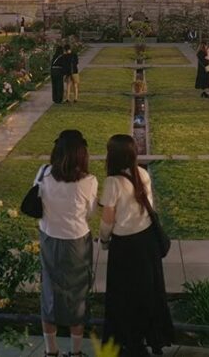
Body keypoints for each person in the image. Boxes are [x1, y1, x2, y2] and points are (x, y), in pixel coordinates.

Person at [100, 134, 175, 357]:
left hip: (125, 246)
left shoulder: (112, 183)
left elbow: (107, 220)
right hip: (147, 242)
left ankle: (129, 341)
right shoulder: (142, 174)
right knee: (149, 292)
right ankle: (153, 337)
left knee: (123, 296)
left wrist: (104, 241)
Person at [37, 130, 97, 357]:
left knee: (49, 291)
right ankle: (76, 351)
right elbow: (90, 212)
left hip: (50, 237)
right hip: (77, 240)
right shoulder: (89, 181)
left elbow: (38, 200)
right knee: (77, 294)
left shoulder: (44, 173)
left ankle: (51, 351)